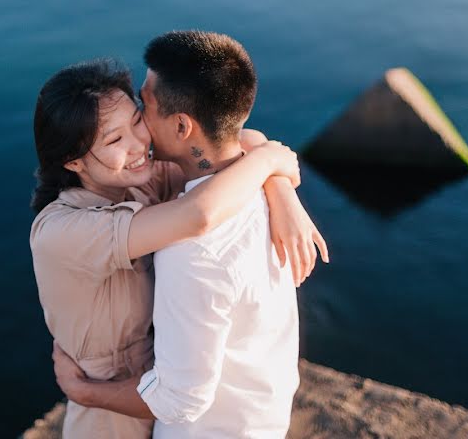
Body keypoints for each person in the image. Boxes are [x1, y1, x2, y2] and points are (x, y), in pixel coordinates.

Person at [30, 55, 325, 438]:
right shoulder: (63, 230)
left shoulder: (137, 181)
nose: (139, 144)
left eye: (137, 121)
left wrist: (283, 194)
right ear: (73, 163)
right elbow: (199, 214)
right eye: (115, 139)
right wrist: (84, 392)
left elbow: (238, 144)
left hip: (159, 380)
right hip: (108, 404)